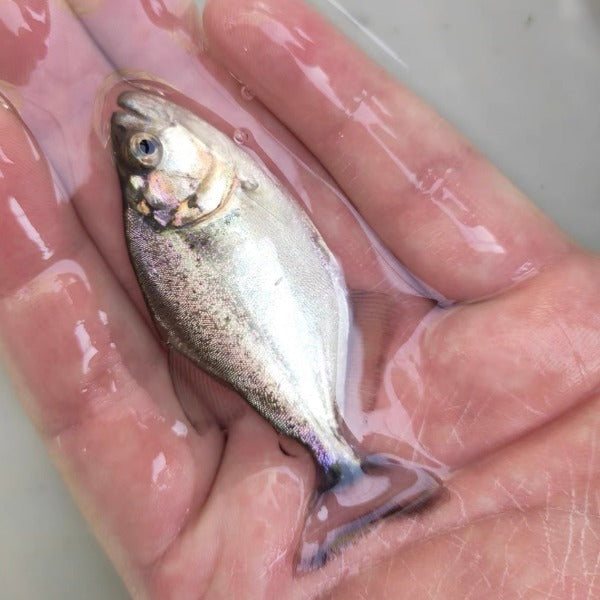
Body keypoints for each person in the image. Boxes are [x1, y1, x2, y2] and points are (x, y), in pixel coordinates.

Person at [0, 0, 598, 598]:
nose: (147, 139)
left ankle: (341, 473)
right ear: (160, 195)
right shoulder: (182, 213)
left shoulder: (187, 204)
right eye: (148, 153)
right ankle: (340, 466)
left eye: (145, 147)